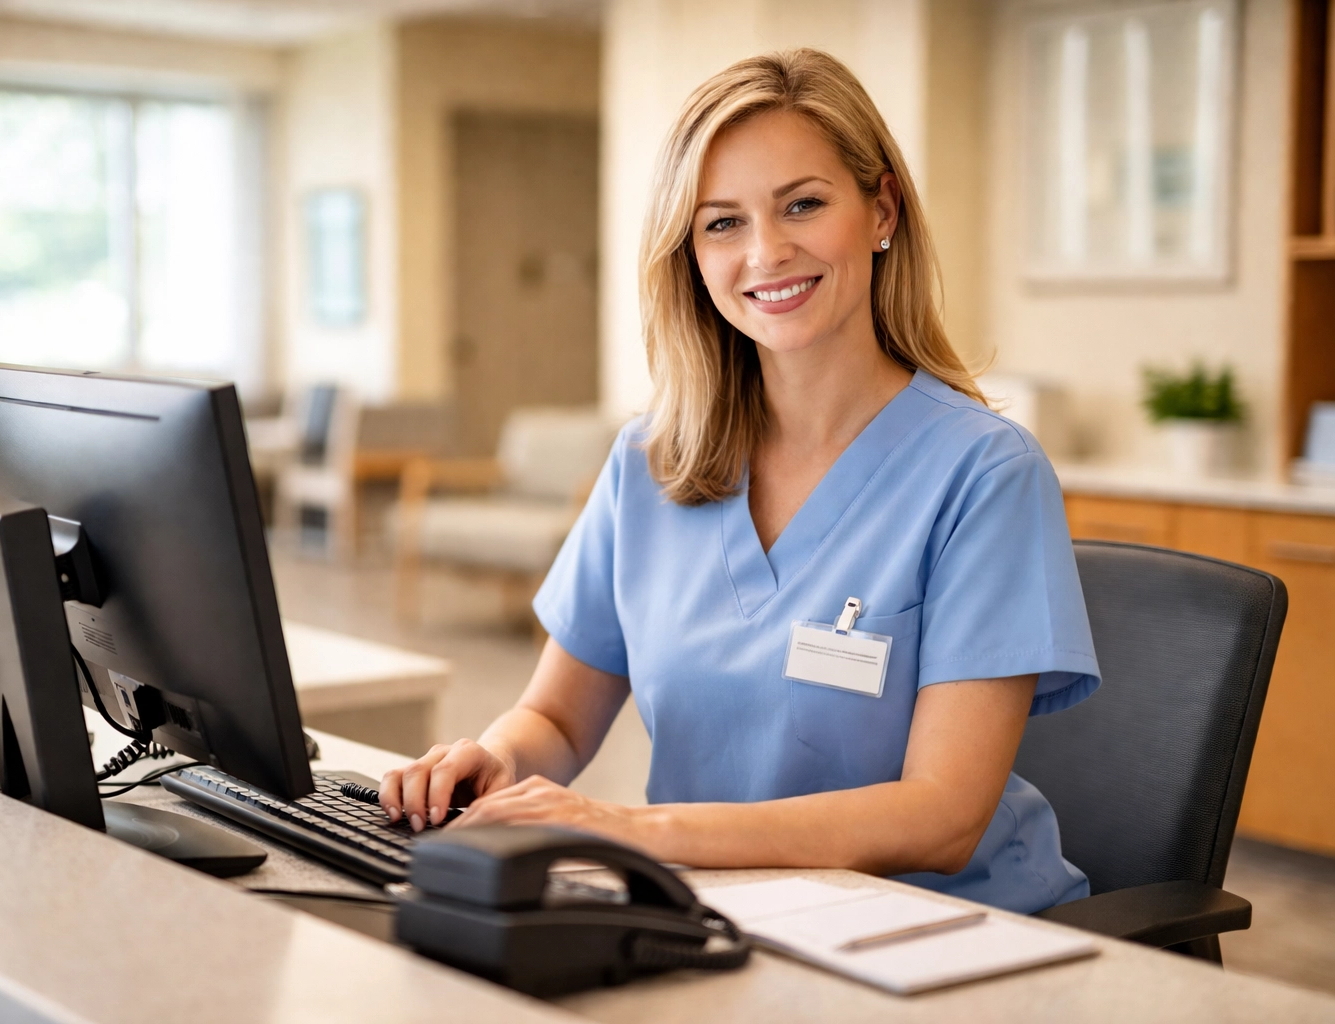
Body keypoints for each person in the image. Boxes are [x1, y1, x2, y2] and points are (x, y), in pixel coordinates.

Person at [379, 48, 1099, 914]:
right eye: (722, 223)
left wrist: (638, 832)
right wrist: (497, 758)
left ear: (881, 211)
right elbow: (559, 721)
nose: (766, 252)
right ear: (689, 252)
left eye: (802, 204)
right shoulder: (649, 463)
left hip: (942, 938)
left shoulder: (984, 475)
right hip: (718, 916)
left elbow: (941, 817)